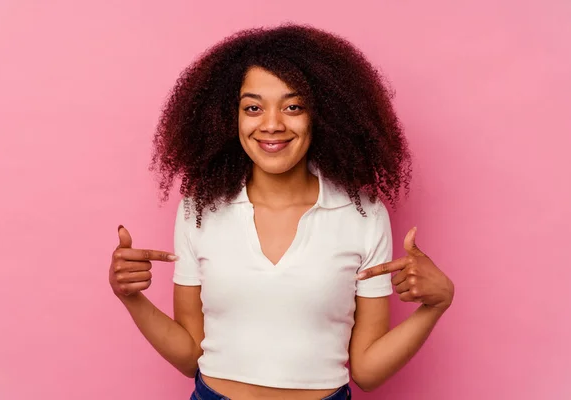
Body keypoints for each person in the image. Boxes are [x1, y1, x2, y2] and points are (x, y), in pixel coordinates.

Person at [108, 24, 455, 400]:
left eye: (293, 107)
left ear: (321, 116)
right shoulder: (200, 209)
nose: (272, 125)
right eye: (253, 108)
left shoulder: (363, 214)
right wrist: (132, 297)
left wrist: (435, 306)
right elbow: (192, 353)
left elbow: (368, 371)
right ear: (229, 118)